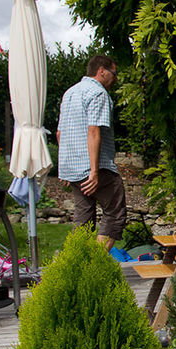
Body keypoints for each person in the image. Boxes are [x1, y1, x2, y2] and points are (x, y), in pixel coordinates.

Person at [56, 55, 126, 251]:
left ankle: (76, 265)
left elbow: (60, 133)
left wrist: (64, 168)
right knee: (115, 213)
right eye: (114, 73)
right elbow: (93, 130)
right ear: (101, 71)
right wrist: (94, 171)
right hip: (95, 167)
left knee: (83, 217)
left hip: (73, 169)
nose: (115, 78)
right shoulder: (98, 93)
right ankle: (95, 264)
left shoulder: (70, 93)